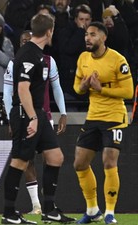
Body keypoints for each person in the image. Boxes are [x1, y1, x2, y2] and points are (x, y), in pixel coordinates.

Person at [1, 13, 75, 224]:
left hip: (38, 115)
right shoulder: (28, 55)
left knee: (55, 157)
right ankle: (8, 213)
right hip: (27, 114)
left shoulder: (39, 55)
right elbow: (22, 89)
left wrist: (39, 116)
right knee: (20, 161)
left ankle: (49, 210)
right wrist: (33, 117)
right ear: (49, 31)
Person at [73, 22, 134, 224]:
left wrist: (101, 89)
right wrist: (82, 86)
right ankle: (92, 210)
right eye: (86, 35)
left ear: (103, 37)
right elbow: (76, 88)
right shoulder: (83, 58)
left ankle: (109, 212)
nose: (87, 38)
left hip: (114, 117)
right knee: (79, 163)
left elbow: (128, 92)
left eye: (92, 34)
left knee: (109, 161)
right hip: (93, 116)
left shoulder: (117, 60)